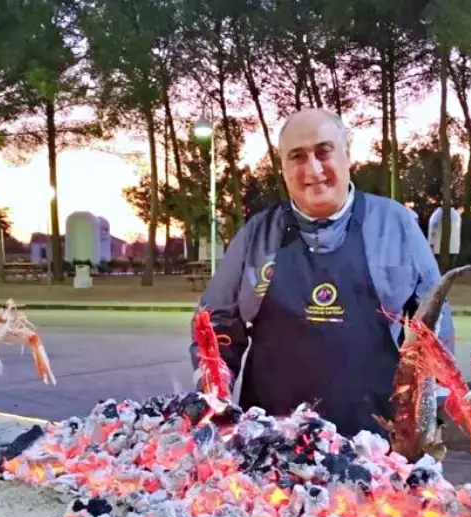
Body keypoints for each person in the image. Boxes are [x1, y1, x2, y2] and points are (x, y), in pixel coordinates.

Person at [189, 108, 455, 438]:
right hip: (272, 446)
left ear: (346, 153)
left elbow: (434, 328)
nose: (313, 169)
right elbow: (216, 328)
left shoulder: (394, 224)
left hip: (376, 446)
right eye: (297, 157)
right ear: (283, 167)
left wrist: (428, 421)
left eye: (323, 151)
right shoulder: (257, 235)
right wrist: (215, 399)